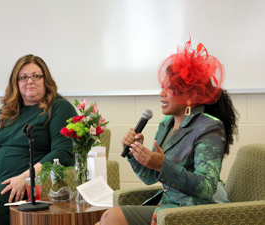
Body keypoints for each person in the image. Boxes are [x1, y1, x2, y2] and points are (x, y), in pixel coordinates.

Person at [96, 38, 238, 225]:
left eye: (170, 88)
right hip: (167, 206)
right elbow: (148, 178)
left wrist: (162, 166)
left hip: (191, 211)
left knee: (109, 218)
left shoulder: (209, 127)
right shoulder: (165, 124)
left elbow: (207, 188)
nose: (162, 93)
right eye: (162, 87)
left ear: (189, 95)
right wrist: (135, 151)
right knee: (106, 219)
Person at [0, 54, 77, 225]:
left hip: (23, 180)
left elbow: (62, 153)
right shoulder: (6, 112)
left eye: (36, 76)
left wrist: (26, 178)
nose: (29, 81)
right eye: (23, 77)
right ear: (16, 83)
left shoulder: (59, 107)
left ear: (45, 79)